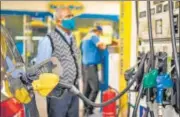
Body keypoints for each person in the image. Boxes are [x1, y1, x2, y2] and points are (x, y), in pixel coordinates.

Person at [36, 7, 81, 117]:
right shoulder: (49, 39)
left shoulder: (73, 38)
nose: (71, 18)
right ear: (58, 21)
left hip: (74, 90)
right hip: (58, 93)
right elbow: (41, 67)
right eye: (68, 16)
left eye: (72, 16)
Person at [81, 26, 107, 115]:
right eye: (100, 33)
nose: (99, 35)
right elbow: (101, 46)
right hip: (91, 66)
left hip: (85, 66)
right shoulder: (93, 36)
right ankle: (89, 109)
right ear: (98, 31)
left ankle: (85, 109)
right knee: (95, 88)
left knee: (87, 89)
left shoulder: (85, 37)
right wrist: (105, 45)